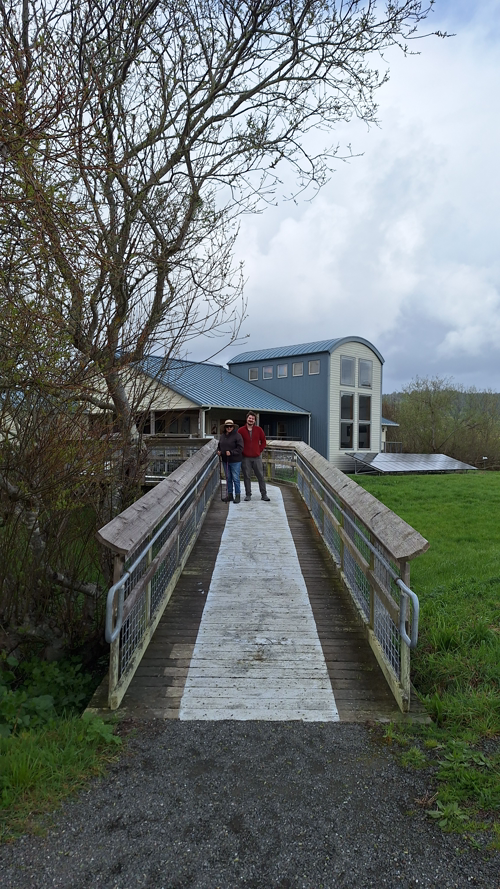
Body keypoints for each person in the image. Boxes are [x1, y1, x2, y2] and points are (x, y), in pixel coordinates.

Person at [238, 411, 270, 501]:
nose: (251, 420)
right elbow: (237, 442)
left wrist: (259, 450)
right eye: (249, 418)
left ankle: (264, 494)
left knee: (260, 476)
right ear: (247, 419)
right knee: (246, 476)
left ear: (254, 420)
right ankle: (248, 494)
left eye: (252, 418)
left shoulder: (259, 430)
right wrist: (242, 451)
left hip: (257, 457)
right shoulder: (241, 430)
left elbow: (263, 441)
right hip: (245, 458)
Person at [217, 419, 243, 503]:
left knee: (235, 478)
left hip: (235, 460)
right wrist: (219, 451)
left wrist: (231, 452)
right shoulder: (222, 436)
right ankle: (230, 495)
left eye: (230, 426)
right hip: (225, 460)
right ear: (225, 427)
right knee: (228, 478)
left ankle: (238, 495)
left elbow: (240, 448)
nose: (229, 428)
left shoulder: (237, 436)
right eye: (227, 426)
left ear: (233, 427)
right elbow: (219, 446)